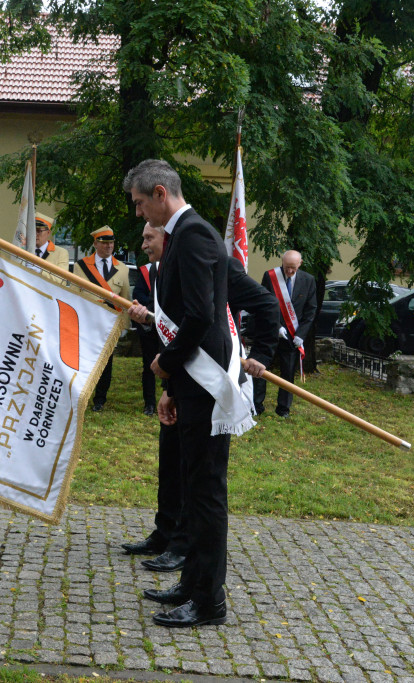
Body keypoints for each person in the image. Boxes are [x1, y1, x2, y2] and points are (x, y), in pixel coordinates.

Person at [123, 158, 268, 628]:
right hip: (193, 387)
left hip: (208, 388)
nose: (142, 215)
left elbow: (203, 318)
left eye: (142, 205)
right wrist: (173, 387)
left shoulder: (194, 234)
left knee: (207, 495)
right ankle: (192, 583)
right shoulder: (185, 235)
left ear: (161, 193)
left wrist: (166, 362)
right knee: (195, 488)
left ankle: (209, 601)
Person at [127, 223, 281, 577]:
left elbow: (265, 305)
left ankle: (183, 545)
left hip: (210, 383)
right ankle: (166, 532)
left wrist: (264, 354)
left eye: (150, 235)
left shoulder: (216, 264)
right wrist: (149, 325)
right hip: (181, 380)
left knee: (194, 473)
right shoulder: (163, 271)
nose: (144, 242)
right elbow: (172, 328)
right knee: (171, 460)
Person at [253, 250, 317, 417]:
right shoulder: (270, 276)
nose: (289, 271)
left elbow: (310, 311)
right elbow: (263, 304)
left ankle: (283, 409)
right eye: (286, 267)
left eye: (293, 268)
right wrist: (277, 326)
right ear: (282, 262)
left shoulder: (308, 280)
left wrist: (301, 335)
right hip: (270, 333)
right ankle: (256, 406)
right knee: (260, 370)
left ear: (300, 264)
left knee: (288, 373)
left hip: (293, 337)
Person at [75, 225, 130, 411]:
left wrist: (124, 326)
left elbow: (125, 299)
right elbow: (75, 294)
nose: (109, 247)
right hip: (88, 321)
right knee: (84, 360)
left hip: (109, 323)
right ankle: (82, 395)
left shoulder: (121, 268)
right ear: (95, 244)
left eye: (111, 243)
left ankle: (100, 399)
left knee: (106, 363)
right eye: (104, 243)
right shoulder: (81, 266)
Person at [131, 223, 159, 416]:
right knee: (149, 366)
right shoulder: (145, 271)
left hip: (169, 329)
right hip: (150, 326)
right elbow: (139, 294)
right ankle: (149, 403)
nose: (144, 246)